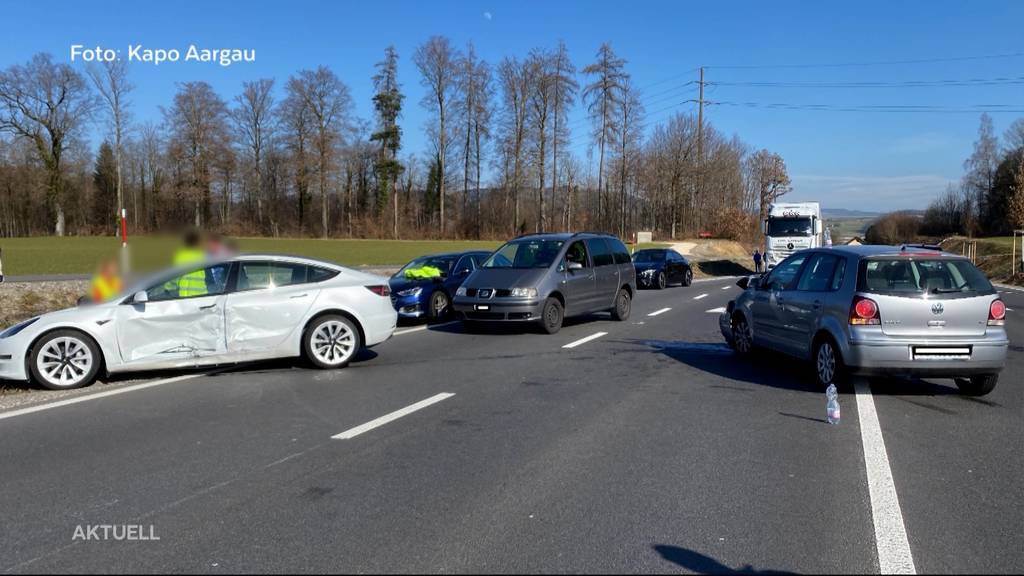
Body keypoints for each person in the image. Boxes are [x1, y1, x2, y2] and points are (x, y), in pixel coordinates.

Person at [173, 229, 208, 297]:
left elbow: (175, 276)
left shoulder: (180, 256)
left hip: (187, 295)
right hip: (202, 293)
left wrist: (170, 287)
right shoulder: (202, 254)